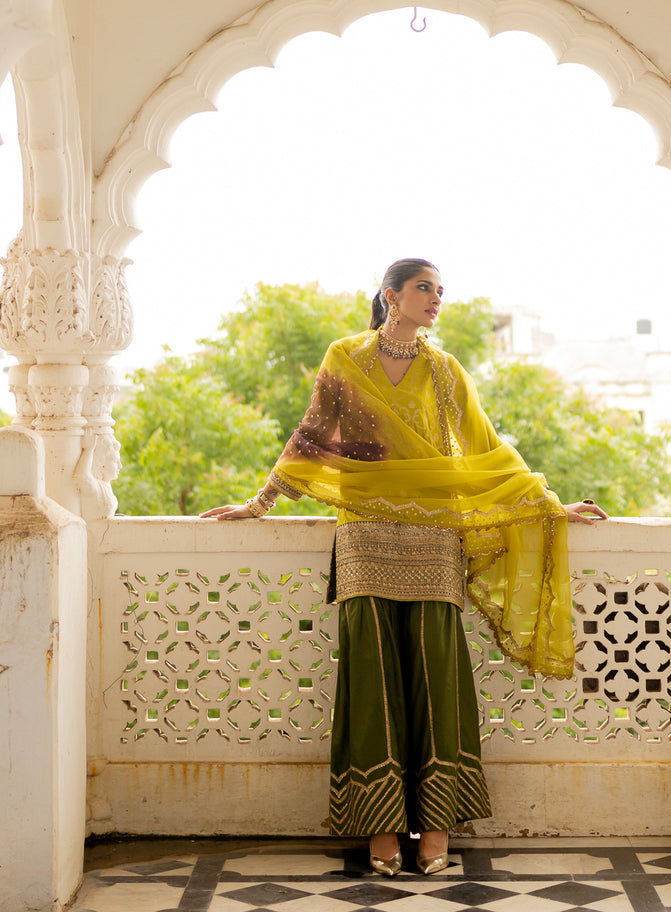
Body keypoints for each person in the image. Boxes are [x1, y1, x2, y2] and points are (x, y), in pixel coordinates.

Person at [201, 258, 607, 875]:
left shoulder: (444, 370)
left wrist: (550, 506)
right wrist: (260, 503)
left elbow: (485, 447)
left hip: (433, 533)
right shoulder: (345, 357)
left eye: (441, 291)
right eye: (425, 289)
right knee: (372, 678)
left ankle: (438, 825)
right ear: (391, 295)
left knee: (435, 671)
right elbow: (313, 434)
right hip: (364, 530)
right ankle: (382, 827)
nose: (436, 299)